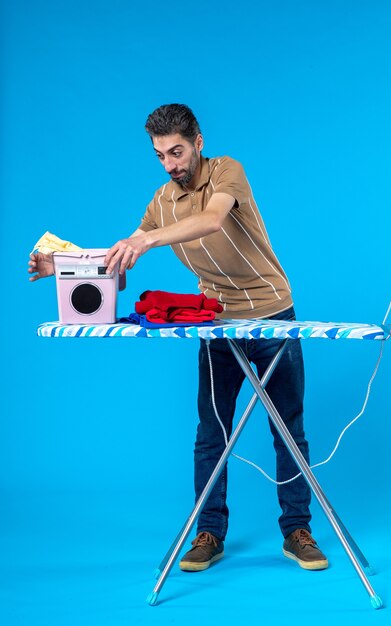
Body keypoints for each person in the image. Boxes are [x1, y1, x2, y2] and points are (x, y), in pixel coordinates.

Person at [28, 104, 328, 572]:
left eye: (177, 151)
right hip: (216, 323)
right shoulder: (160, 201)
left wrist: (149, 240)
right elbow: (118, 262)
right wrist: (62, 269)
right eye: (161, 156)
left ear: (198, 142)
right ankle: (209, 532)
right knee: (212, 433)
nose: (171, 164)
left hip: (273, 315)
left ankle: (297, 531)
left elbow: (211, 220)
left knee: (288, 429)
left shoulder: (227, 170)